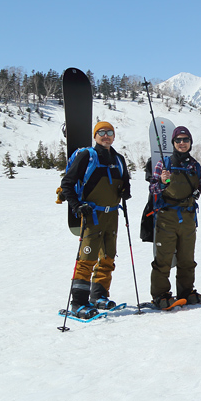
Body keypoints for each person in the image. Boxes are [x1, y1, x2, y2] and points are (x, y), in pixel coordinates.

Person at [59, 121, 131, 319]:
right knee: (86, 259)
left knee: (108, 257)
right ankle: (78, 303)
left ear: (114, 136)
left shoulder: (119, 159)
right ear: (95, 136)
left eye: (109, 132)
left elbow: (125, 183)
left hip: (112, 215)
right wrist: (77, 206)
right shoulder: (87, 156)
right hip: (92, 215)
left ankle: (98, 295)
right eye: (101, 132)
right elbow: (67, 183)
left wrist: (126, 191)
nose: (106, 136)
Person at [148, 126, 201, 309]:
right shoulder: (164, 163)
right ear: (173, 143)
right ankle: (160, 295)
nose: (182, 143)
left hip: (188, 218)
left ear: (190, 143)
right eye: (178, 140)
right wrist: (162, 181)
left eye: (186, 140)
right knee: (163, 260)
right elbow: (153, 189)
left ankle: (186, 291)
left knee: (187, 259)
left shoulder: (195, 165)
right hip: (166, 217)